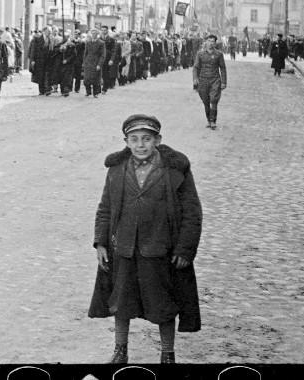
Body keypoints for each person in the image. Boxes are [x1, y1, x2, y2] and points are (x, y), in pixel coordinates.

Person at [89, 114, 202, 365]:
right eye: (134, 139)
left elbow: (192, 212)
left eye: (147, 139)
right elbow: (105, 207)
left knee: (164, 304)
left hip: (160, 249)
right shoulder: (118, 170)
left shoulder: (174, 170)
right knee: (121, 302)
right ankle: (120, 351)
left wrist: (185, 249)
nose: (141, 145)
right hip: (124, 249)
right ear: (126, 142)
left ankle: (167, 354)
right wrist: (101, 242)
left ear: (158, 140)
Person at [192, 35, 227, 130]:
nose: (211, 43)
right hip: (203, 80)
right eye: (209, 41)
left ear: (215, 43)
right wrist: (195, 79)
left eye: (213, 41)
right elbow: (196, 67)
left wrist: (223, 82)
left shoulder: (219, 54)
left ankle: (213, 121)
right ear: (206, 42)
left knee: (214, 100)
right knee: (206, 101)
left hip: (215, 80)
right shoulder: (200, 54)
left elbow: (223, 68)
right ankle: (208, 118)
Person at [83, 28, 106, 98]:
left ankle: (95, 93)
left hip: (96, 62)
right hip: (88, 62)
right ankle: (88, 91)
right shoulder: (88, 42)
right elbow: (85, 53)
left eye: (95, 34)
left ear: (97, 34)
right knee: (86, 78)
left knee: (96, 79)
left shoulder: (101, 43)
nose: (94, 35)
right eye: (92, 34)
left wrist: (99, 64)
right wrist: (84, 62)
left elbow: (103, 55)